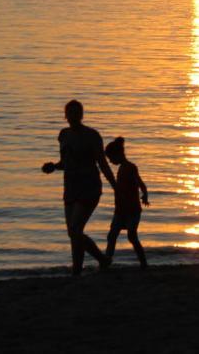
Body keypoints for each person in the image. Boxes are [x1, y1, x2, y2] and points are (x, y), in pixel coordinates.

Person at [41, 99, 116, 275]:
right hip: (71, 187)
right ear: (66, 116)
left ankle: (102, 259)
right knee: (73, 232)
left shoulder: (92, 135)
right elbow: (66, 162)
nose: (74, 116)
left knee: (75, 230)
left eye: (77, 112)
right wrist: (53, 166)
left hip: (89, 187)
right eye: (71, 113)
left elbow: (102, 163)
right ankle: (77, 270)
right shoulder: (64, 135)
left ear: (82, 115)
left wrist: (115, 186)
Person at [102, 137, 149, 269]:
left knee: (132, 236)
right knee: (112, 235)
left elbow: (140, 183)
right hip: (121, 210)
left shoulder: (130, 167)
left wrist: (144, 195)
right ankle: (107, 262)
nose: (110, 161)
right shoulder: (122, 168)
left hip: (132, 210)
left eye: (111, 158)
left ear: (118, 154)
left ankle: (144, 264)